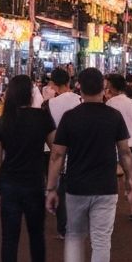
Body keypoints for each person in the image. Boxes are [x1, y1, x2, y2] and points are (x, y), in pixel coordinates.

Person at [46, 68, 132, 262]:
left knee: (74, 237)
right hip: (106, 187)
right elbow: (125, 152)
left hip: (76, 186)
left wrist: (51, 188)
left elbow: (57, 154)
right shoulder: (113, 116)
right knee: (101, 242)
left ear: (79, 87)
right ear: (103, 87)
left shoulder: (70, 117)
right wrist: (130, 180)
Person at [0, 75, 57, 262]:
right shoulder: (41, 117)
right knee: (36, 233)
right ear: (29, 93)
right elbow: (56, 149)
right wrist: (53, 183)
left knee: (9, 238)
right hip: (34, 182)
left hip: (9, 185)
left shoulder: (1, 122)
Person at [105, 74, 132, 221]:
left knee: (112, 180)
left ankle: (110, 211)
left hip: (116, 144)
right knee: (130, 178)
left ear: (113, 86)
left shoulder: (110, 103)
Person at [46, 68, 80, 240]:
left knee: (60, 189)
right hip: (80, 150)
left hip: (58, 149)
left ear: (53, 84)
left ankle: (63, 228)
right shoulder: (80, 100)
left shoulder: (49, 104)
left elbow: (47, 132)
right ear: (69, 82)